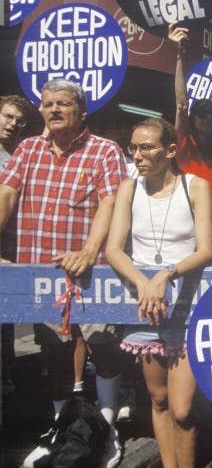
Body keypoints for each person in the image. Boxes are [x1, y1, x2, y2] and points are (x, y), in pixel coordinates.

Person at [0, 79, 127, 468]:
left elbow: (110, 204)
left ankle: (107, 427)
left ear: (82, 112)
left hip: (93, 272)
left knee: (102, 348)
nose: (53, 109)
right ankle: (61, 429)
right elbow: (6, 194)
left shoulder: (104, 150)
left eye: (63, 104)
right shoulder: (27, 149)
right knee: (54, 352)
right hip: (41, 272)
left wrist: (90, 251)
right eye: (48, 104)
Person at [105, 118, 212, 468]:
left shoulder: (194, 186)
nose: (138, 155)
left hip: (186, 306)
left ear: (170, 150)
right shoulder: (128, 188)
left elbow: (206, 250)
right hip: (146, 306)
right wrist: (142, 282)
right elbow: (114, 249)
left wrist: (166, 274)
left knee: (182, 409)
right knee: (159, 399)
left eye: (147, 147)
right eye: (133, 147)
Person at [0, 94, 36, 396]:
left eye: (19, 121)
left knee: (7, 314)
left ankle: (6, 373)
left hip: (15, 246)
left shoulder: (24, 154)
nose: (12, 124)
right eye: (8, 116)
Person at [169, 23, 212, 213]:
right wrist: (179, 58)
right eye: (204, 119)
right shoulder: (184, 145)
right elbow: (182, 104)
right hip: (185, 229)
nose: (211, 124)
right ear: (195, 122)